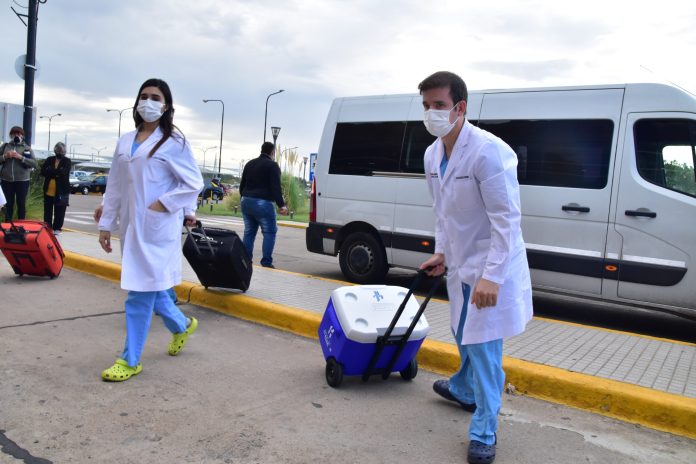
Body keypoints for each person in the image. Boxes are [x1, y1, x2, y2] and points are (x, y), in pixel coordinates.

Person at [418, 71, 533, 464]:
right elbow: (443, 213)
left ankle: (485, 429)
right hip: (462, 264)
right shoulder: (433, 154)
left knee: (483, 348)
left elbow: (506, 219)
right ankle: (465, 389)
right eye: (426, 106)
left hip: (490, 266)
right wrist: (442, 252)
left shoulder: (489, 152)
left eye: (439, 105)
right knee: (461, 333)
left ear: (460, 108)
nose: (431, 113)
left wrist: (492, 276)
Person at [97, 78, 203, 382]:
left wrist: (164, 204)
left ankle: (130, 360)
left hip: (157, 229)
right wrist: (107, 224)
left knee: (139, 294)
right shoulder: (125, 140)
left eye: (155, 97)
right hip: (131, 227)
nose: (148, 102)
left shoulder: (174, 142)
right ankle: (182, 326)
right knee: (151, 287)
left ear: (166, 105)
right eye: (143, 96)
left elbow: (193, 182)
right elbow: (115, 186)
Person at [239, 141, 289, 268]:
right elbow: (275, 187)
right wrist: (281, 205)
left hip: (246, 200)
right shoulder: (272, 166)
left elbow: (242, 185)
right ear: (272, 152)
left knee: (249, 232)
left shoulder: (249, 164)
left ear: (261, 150)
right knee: (269, 232)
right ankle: (266, 262)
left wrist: (245, 197)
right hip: (263, 203)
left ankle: (246, 261)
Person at [0, 126, 37, 222]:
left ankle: (21, 225)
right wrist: (5, 156)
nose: (17, 135)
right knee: (8, 204)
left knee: (21, 203)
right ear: (11, 135)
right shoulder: (5, 146)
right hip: (6, 180)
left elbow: (34, 164)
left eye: (19, 133)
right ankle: (8, 225)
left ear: (22, 136)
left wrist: (21, 157)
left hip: (22, 181)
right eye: (14, 133)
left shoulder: (27, 148)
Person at [40, 142, 72, 235]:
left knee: (60, 211)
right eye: (58, 150)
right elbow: (43, 172)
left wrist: (50, 170)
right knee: (47, 211)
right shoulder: (49, 159)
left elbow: (64, 172)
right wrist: (57, 172)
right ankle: (48, 228)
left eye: (62, 151)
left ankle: (57, 228)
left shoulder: (67, 161)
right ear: (55, 150)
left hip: (62, 191)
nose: (60, 152)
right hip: (48, 190)